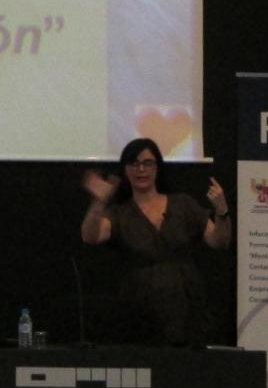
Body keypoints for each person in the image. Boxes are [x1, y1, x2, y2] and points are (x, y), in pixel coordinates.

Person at [80, 137, 231, 346]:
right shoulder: (120, 213)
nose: (141, 169)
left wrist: (222, 210)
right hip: (139, 312)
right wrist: (99, 202)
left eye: (147, 163)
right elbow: (90, 236)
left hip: (186, 308)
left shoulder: (183, 204)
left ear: (157, 167)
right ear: (125, 170)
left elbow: (219, 241)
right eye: (134, 164)